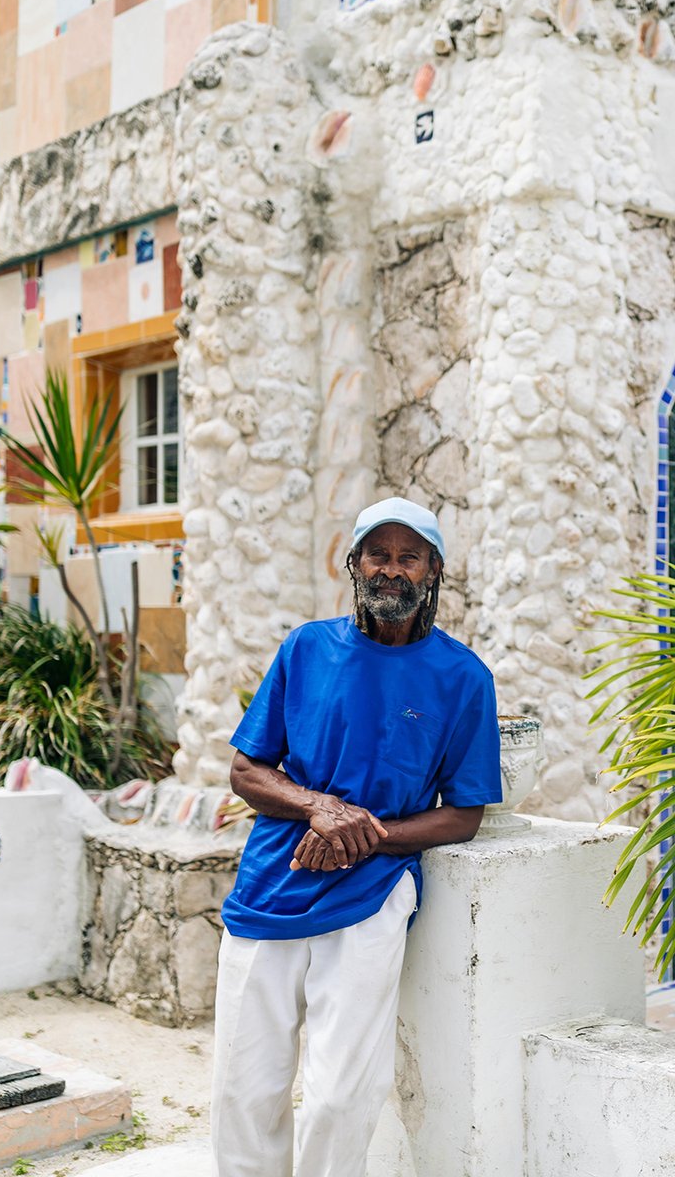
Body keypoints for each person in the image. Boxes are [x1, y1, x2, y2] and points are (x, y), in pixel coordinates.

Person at [211, 496, 502, 1177]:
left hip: (371, 899)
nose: (391, 570)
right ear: (354, 563)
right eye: (379, 554)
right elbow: (246, 769)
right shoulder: (307, 648)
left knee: (340, 1098)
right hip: (269, 891)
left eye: (409, 557)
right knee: (242, 1090)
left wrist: (357, 834)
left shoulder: (464, 679)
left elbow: (464, 815)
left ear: (434, 571)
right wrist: (318, 807)